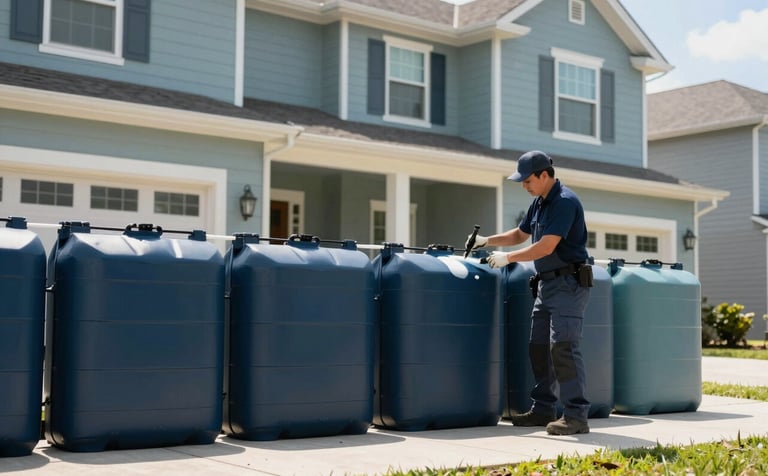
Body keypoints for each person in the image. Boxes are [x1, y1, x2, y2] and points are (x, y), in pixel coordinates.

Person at [466, 150, 592, 435]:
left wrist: (508, 259)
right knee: (538, 347)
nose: (524, 185)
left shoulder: (564, 202)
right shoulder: (540, 203)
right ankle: (543, 409)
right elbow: (520, 235)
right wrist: (486, 241)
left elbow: (546, 246)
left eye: (527, 180)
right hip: (547, 284)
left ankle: (576, 416)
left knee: (563, 348)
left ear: (544, 175)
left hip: (568, 285)